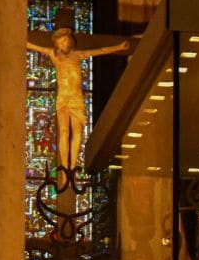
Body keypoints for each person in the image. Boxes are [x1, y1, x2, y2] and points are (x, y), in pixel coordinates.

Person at [26, 15, 129, 170]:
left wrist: (119, 47)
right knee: (64, 131)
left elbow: (100, 50)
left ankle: (72, 166)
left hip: (76, 97)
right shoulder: (54, 55)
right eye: (61, 41)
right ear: (57, 43)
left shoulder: (77, 55)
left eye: (66, 40)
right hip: (63, 97)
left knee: (78, 132)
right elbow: (35, 47)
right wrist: (22, 40)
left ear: (69, 41)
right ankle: (65, 164)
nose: (64, 43)